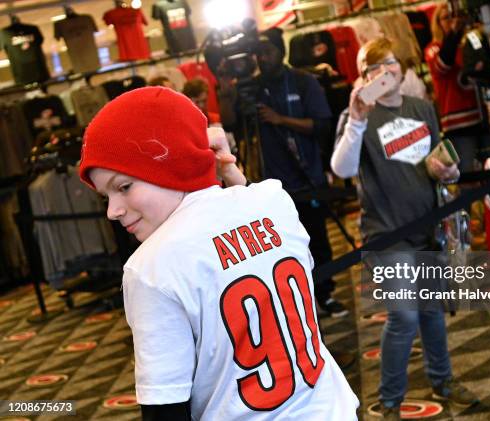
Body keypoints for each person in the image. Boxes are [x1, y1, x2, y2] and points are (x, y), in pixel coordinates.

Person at [78, 86, 359, 420]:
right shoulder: (274, 200)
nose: (113, 211)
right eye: (105, 197)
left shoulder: (151, 266)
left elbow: (165, 410)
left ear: (172, 162)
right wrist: (223, 169)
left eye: (124, 187)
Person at [331, 38, 478, 420]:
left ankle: (442, 381)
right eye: (373, 68)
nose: (384, 72)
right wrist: (357, 119)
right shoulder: (356, 117)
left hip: (428, 226)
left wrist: (450, 170)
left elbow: (438, 162)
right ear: (363, 77)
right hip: (385, 234)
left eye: (390, 63)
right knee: (405, 316)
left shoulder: (422, 108)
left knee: (430, 312)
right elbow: (343, 170)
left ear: (403, 68)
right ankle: (391, 401)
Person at [253, 27, 347, 318]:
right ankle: (297, 305)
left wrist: (280, 120)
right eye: (258, 53)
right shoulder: (251, 88)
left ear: (280, 52)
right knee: (281, 249)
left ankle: (326, 294)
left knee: (316, 239)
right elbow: (232, 122)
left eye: (268, 51)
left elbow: (321, 125)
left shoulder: (303, 81)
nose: (263, 58)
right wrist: (226, 84)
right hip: (271, 188)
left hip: (307, 178)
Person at [425, 2, 490, 172]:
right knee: (466, 172)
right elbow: (443, 65)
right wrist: (454, 33)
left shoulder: (467, 42)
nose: (451, 21)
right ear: (437, 23)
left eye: (454, 17)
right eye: (446, 18)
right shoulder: (433, 49)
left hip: (482, 115)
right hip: (458, 123)